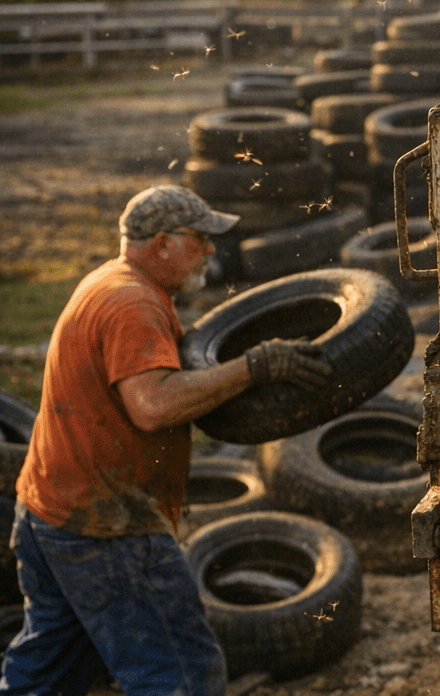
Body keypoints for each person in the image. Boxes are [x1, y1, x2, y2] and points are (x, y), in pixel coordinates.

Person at [2, 185, 333, 696]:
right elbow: (153, 405)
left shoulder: (110, 283)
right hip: (106, 527)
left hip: (49, 512)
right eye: (199, 238)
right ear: (161, 243)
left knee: (47, 671)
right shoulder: (133, 304)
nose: (210, 250)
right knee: (181, 676)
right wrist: (252, 367)